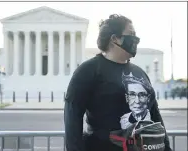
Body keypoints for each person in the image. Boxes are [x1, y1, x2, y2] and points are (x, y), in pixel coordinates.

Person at [64, 14, 172, 151]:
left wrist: (167, 147)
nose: (136, 39)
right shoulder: (88, 71)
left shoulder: (140, 73)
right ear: (114, 38)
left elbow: (155, 116)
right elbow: (72, 120)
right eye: (131, 34)